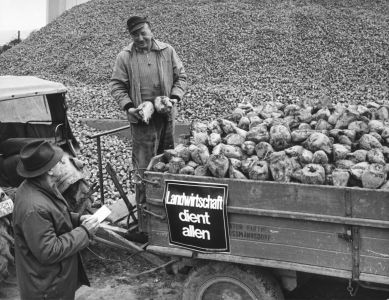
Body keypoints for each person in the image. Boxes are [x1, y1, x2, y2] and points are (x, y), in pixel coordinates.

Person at [110, 16, 187, 221]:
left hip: (166, 118)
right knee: (144, 168)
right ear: (131, 36)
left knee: (168, 162)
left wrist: (174, 98)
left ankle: (169, 212)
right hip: (142, 120)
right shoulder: (125, 57)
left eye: (143, 32)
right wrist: (129, 107)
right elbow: (117, 86)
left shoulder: (167, 51)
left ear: (151, 30)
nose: (140, 37)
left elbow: (181, 78)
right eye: (135, 34)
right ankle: (146, 218)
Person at [13, 140, 100, 300]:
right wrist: (84, 232)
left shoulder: (42, 186)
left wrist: (78, 219)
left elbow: (54, 217)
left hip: (54, 280)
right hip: (47, 288)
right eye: (60, 162)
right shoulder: (34, 207)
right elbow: (49, 251)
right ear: (50, 171)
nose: (65, 165)